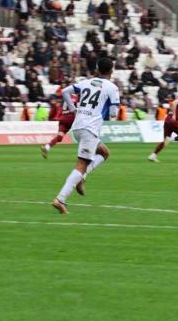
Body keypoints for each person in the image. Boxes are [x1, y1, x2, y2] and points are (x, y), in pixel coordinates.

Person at [53, 58, 121, 214]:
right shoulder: (112, 88)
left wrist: (73, 109)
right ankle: (60, 199)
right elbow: (113, 113)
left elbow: (65, 91)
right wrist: (110, 107)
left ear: (97, 69)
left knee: (104, 153)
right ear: (111, 71)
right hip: (89, 129)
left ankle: (82, 178)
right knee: (81, 165)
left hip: (77, 127)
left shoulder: (86, 82)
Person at [148, 86, 178, 162]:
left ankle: (153, 156)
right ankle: (171, 139)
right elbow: (174, 103)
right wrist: (174, 115)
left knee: (165, 141)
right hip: (173, 121)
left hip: (168, 121)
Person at [41, 90, 78, 159]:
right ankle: (86, 153)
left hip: (63, 118)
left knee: (60, 137)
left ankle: (47, 147)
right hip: (71, 118)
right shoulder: (74, 97)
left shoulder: (65, 97)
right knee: (82, 135)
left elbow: (60, 107)